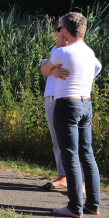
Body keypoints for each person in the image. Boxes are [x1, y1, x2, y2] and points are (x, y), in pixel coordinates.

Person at [42, 12, 102, 218]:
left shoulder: (62, 52)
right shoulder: (89, 51)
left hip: (67, 104)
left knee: (70, 156)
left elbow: (45, 69)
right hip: (86, 103)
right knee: (87, 154)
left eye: (61, 29)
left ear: (65, 31)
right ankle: (93, 204)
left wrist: (59, 45)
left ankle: (74, 206)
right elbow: (98, 67)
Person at [40, 34, 68, 190]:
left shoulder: (73, 51)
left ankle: (77, 178)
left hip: (65, 97)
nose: (58, 34)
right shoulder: (55, 50)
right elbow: (46, 71)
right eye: (57, 30)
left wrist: (52, 70)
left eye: (61, 30)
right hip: (50, 95)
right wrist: (52, 70)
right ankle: (62, 176)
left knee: (70, 141)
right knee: (56, 140)